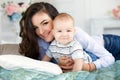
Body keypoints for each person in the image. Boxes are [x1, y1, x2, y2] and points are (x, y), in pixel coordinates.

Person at [19, 2, 120, 72]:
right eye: (35, 27)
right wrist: (60, 65)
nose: (41, 31)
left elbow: (108, 58)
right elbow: (46, 65)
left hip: (109, 44)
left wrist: (87, 67)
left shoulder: (76, 34)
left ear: (55, 19)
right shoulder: (40, 42)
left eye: (45, 23)